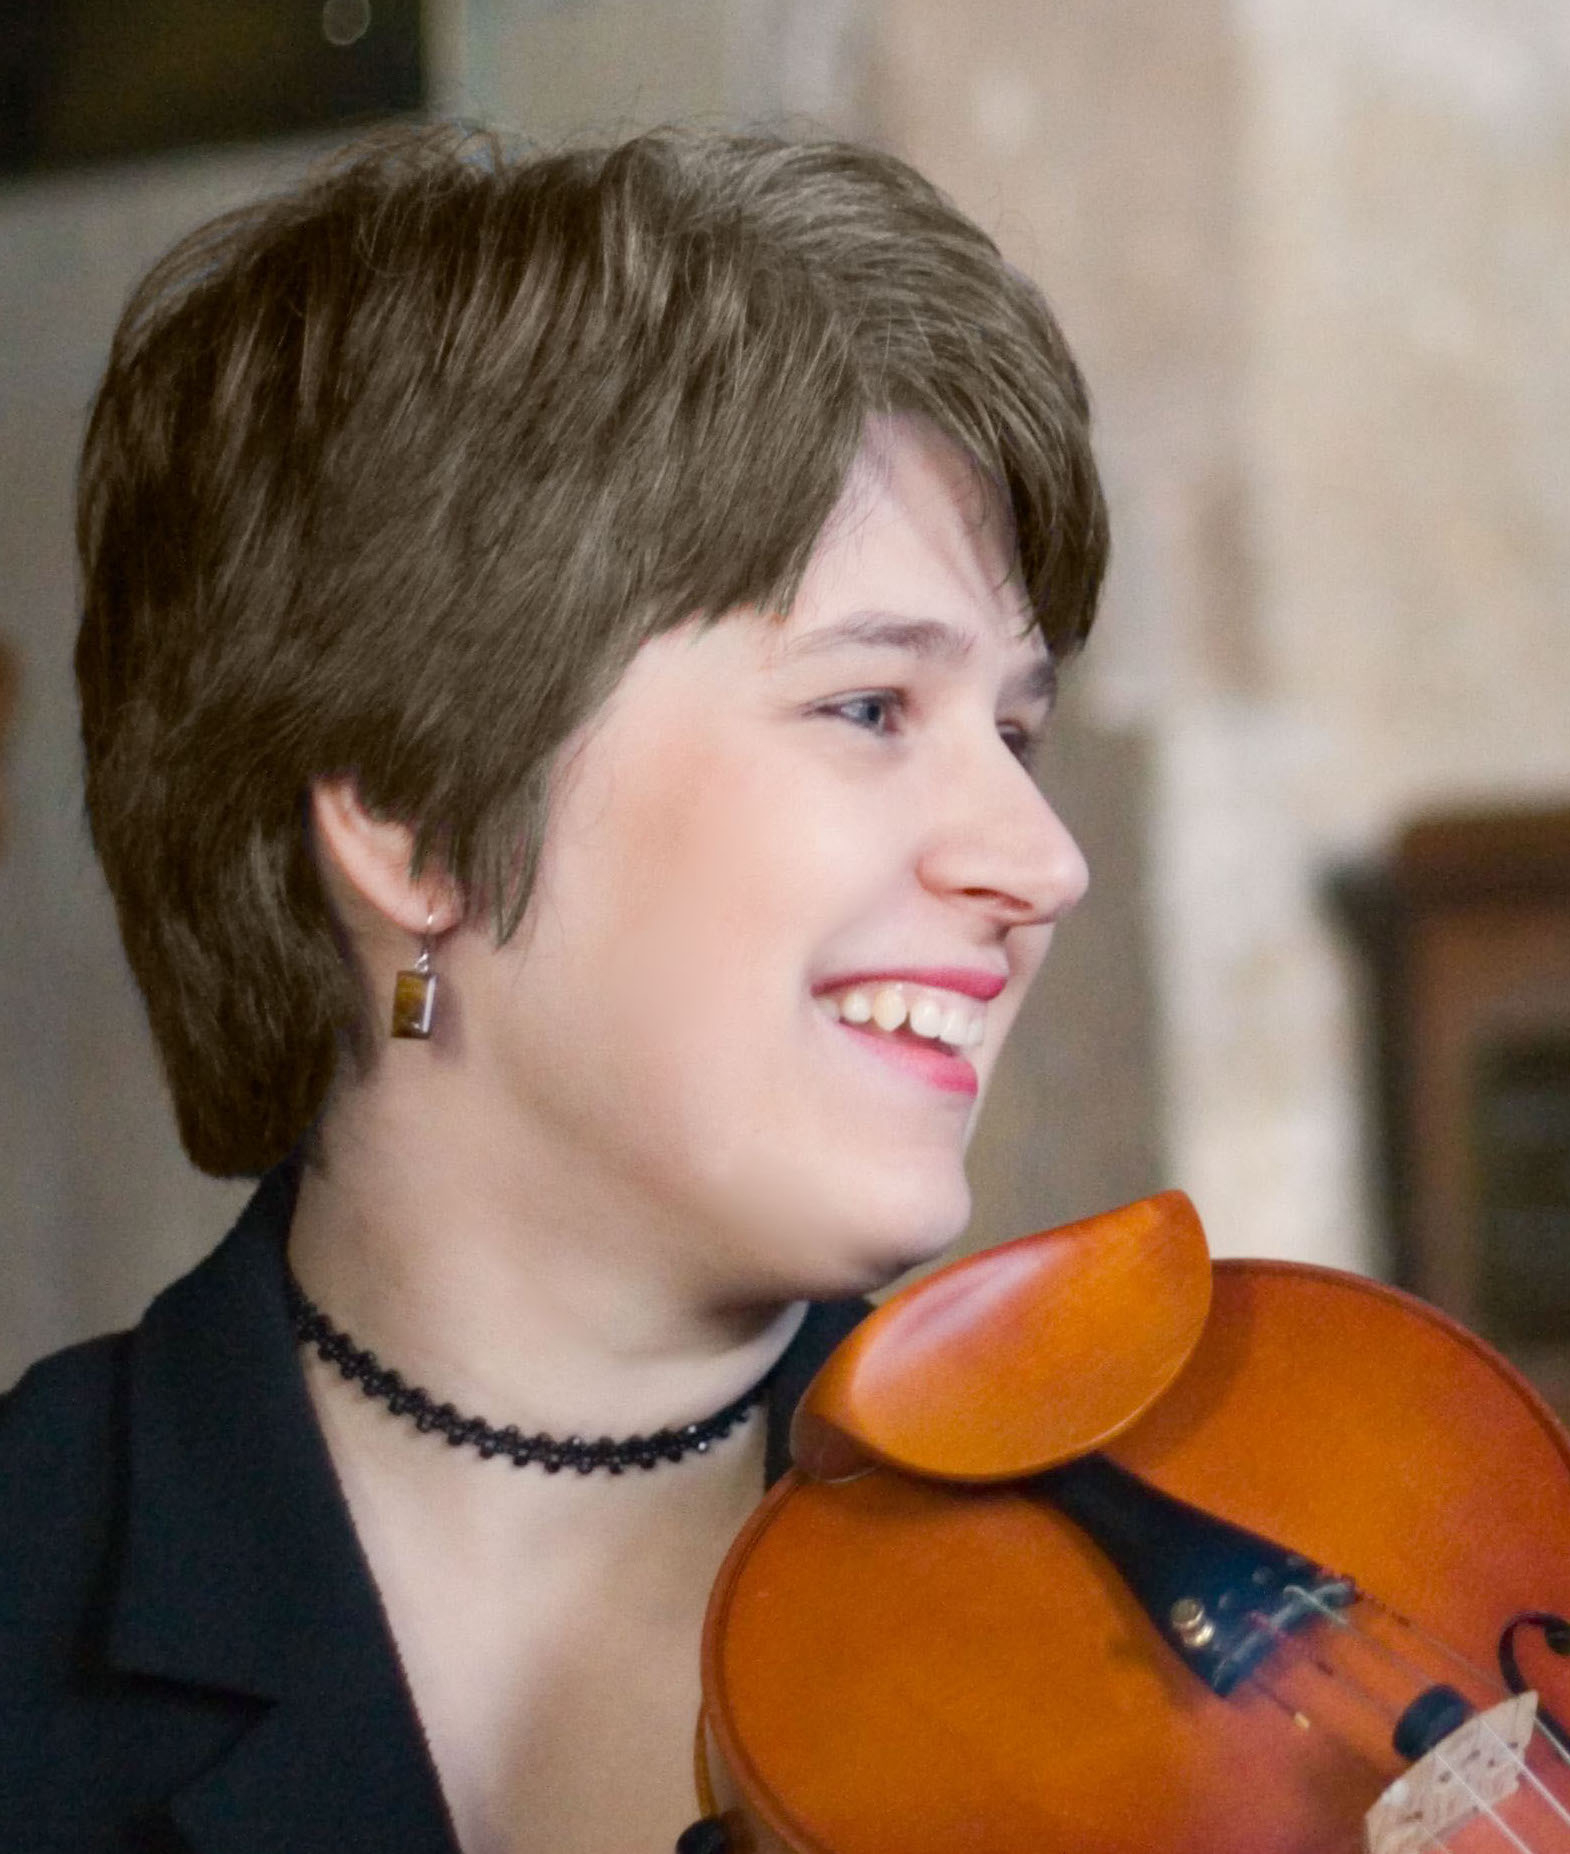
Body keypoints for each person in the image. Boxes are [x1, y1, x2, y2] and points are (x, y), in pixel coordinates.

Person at [0, 124, 1107, 1852]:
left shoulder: (1134, 1616)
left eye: (1017, 732)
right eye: (870, 707)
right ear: (415, 814)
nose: (1043, 861)